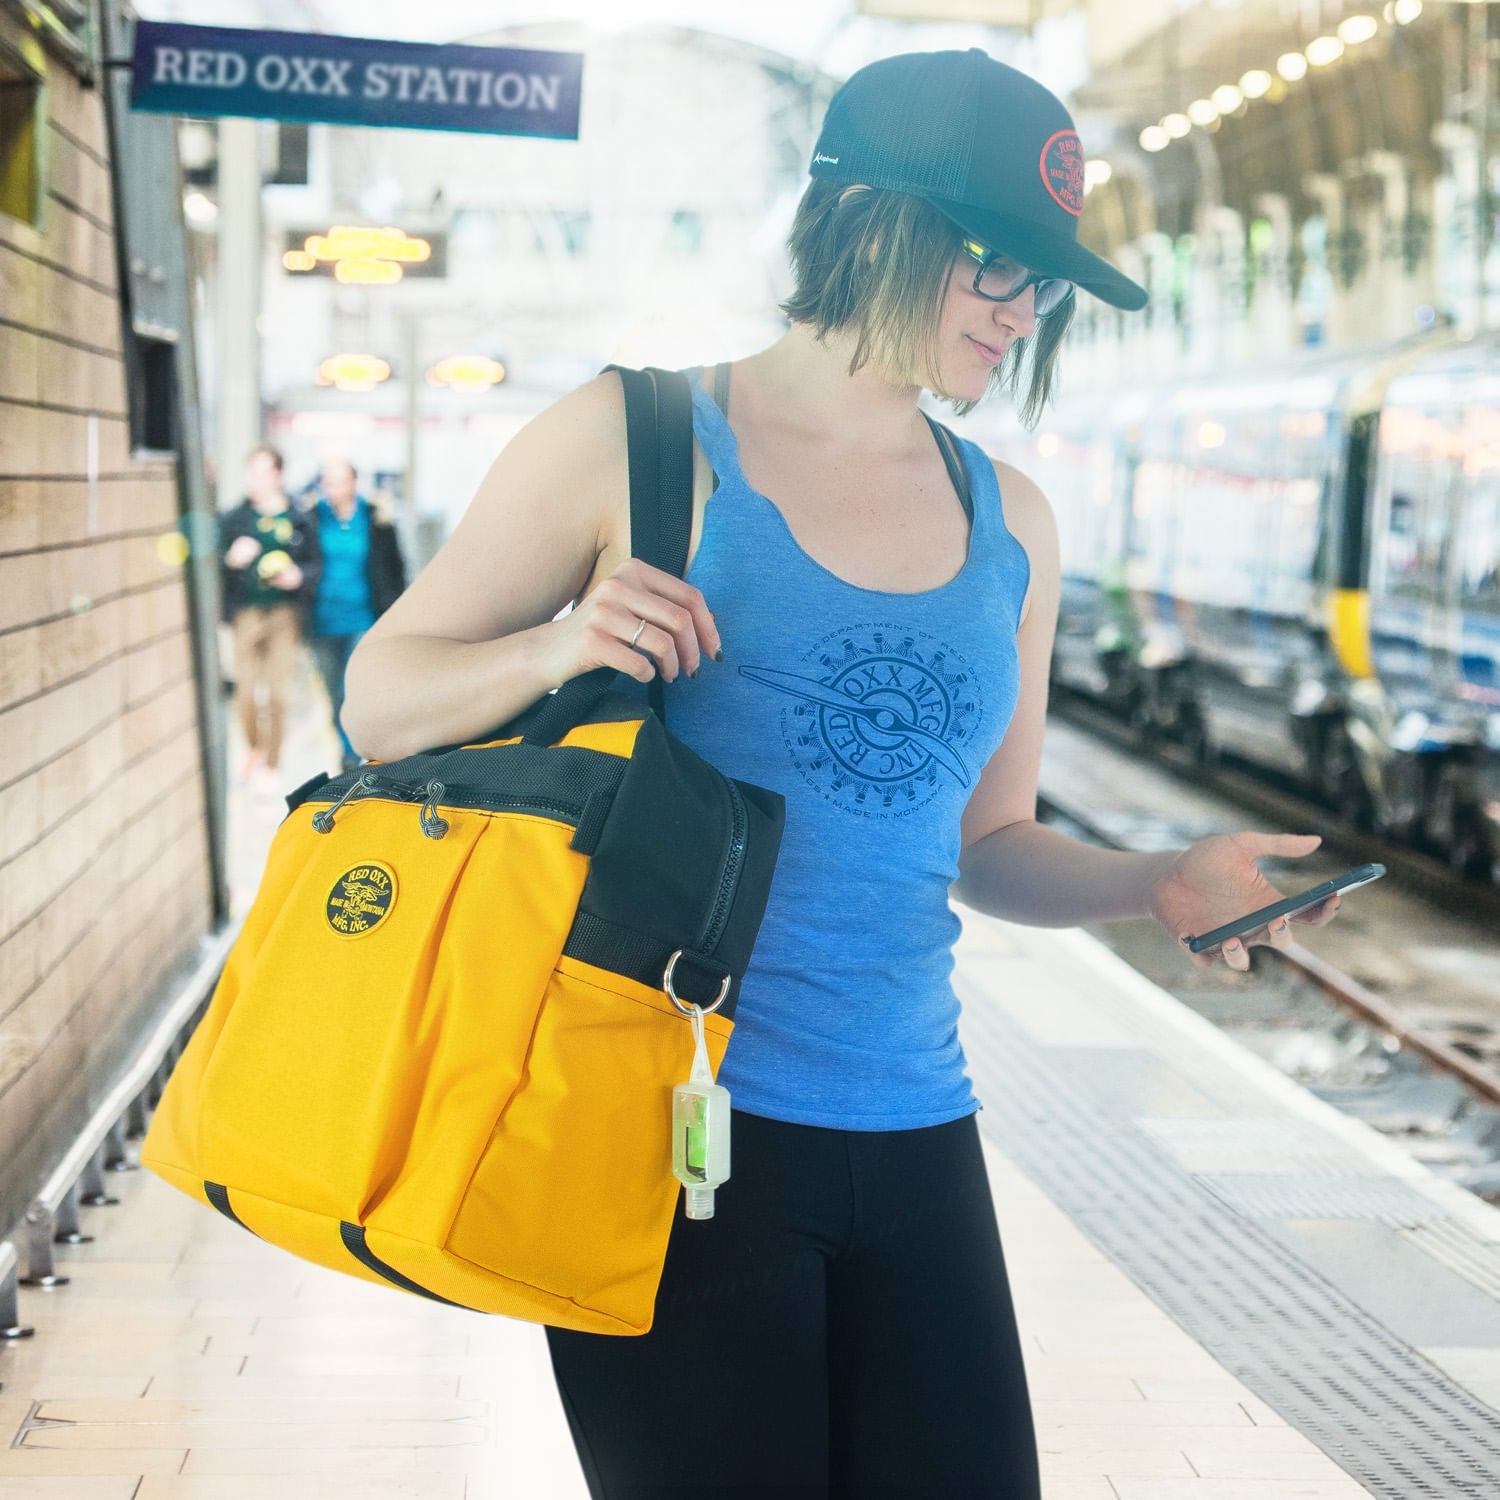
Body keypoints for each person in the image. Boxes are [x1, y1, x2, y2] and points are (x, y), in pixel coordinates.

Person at [342, 49, 1344, 1498]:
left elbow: (991, 840)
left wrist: (1156, 884)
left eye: (1044, 286)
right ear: (874, 223)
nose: (1022, 314)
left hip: (921, 1133)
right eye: (997, 267)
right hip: (670, 1142)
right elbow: (380, 697)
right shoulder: (641, 440)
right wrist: (554, 650)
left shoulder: (1014, 521)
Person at [219, 444, 319, 791]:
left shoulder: (299, 518)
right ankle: (253, 749)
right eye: (250, 472)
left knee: (278, 694)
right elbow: (214, 562)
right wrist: (231, 559)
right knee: (245, 693)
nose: (254, 479)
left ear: (278, 475)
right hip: (246, 612)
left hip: (284, 614)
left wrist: (298, 576)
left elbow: (315, 566)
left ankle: (271, 765)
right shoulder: (235, 518)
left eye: (262, 472)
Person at [308, 457, 407, 772]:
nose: (330, 488)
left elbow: (395, 569)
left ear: (353, 484)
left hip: (363, 618)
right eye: (326, 482)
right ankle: (344, 745)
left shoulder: (376, 519)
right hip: (321, 621)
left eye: (337, 481)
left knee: (351, 688)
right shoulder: (312, 518)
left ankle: (354, 755)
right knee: (333, 693)